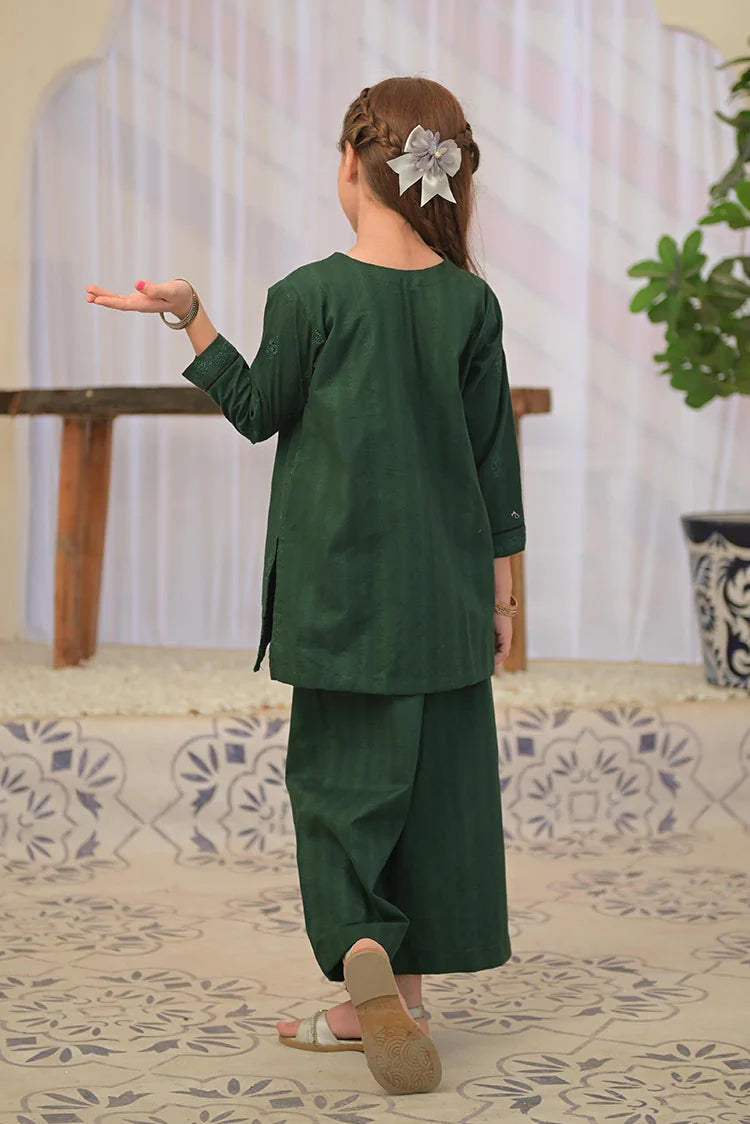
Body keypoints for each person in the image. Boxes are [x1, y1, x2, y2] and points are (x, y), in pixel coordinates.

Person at [85, 75, 526, 1097]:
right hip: (447, 598)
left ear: (351, 165)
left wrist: (191, 316)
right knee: (430, 796)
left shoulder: (307, 295)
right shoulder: (471, 302)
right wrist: (504, 599)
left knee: (338, 788)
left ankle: (363, 953)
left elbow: (255, 409)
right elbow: (494, 468)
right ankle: (401, 1001)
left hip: (338, 598)